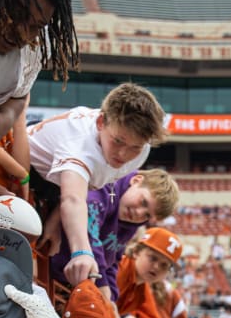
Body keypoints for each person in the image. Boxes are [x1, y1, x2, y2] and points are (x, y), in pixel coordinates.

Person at [29, 83, 167, 286]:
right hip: (24, 167)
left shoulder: (142, 150)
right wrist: (82, 252)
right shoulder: (80, 146)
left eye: (134, 147)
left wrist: (56, 217)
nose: (123, 154)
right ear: (101, 122)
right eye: (118, 141)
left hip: (57, 187)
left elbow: (87, 188)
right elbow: (74, 198)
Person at [49, 169, 179, 301]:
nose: (139, 213)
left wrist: (111, 299)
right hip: (48, 264)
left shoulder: (131, 225)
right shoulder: (106, 186)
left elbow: (112, 261)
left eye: (147, 215)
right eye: (143, 202)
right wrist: (102, 284)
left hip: (66, 281)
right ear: (136, 181)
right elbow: (88, 230)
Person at [116, 227, 184, 318]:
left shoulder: (141, 284)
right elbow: (100, 300)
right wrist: (126, 316)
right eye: (152, 258)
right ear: (136, 252)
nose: (157, 267)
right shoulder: (121, 268)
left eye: (164, 265)